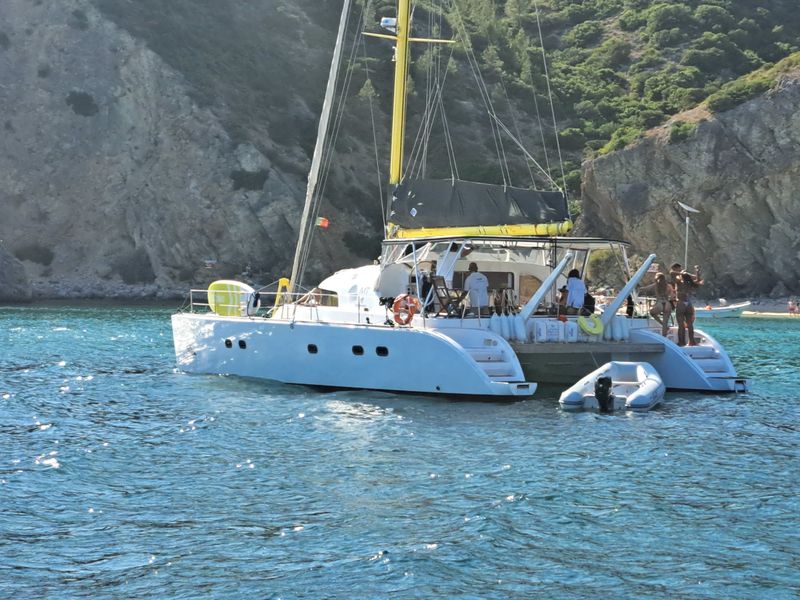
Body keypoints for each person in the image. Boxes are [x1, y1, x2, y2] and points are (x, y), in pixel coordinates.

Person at [675, 267, 703, 346]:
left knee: (681, 325)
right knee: (690, 324)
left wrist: (682, 272)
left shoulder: (679, 283)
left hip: (681, 303)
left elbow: (673, 273)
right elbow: (698, 280)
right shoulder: (690, 283)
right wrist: (697, 272)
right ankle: (691, 341)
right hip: (688, 303)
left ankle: (681, 342)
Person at [640, 272, 673, 336]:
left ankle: (662, 324)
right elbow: (672, 296)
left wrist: (638, 288)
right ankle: (664, 338)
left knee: (652, 313)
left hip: (659, 303)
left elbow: (644, 289)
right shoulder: (669, 286)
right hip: (667, 304)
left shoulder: (655, 285)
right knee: (665, 323)